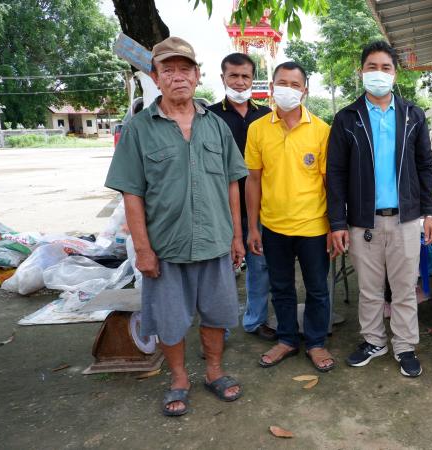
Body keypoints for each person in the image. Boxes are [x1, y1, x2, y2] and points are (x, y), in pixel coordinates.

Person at [105, 37, 248, 416]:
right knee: (170, 320)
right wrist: (142, 249)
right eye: (168, 70)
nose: (178, 77)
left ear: (198, 75)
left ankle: (214, 371)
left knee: (217, 315)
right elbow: (131, 193)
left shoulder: (216, 127)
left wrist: (237, 237)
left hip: (215, 242)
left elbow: (232, 184)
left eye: (185, 69)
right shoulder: (139, 129)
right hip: (165, 247)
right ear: (156, 78)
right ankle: (179, 379)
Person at [327, 41, 432, 377]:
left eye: (385, 67)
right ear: (361, 72)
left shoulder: (413, 115)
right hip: (364, 221)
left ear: (395, 73)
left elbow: (425, 165)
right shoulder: (347, 118)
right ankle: (373, 341)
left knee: (404, 288)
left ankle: (405, 346)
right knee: (370, 289)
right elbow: (335, 173)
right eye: (371, 67)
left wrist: (429, 212)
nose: (379, 73)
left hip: (406, 218)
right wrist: (337, 222)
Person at [245, 61, 336, 372]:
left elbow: (329, 183)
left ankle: (316, 342)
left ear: (305, 91)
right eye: (282, 83)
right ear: (272, 88)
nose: (288, 89)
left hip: (313, 226)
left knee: (317, 288)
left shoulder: (322, 130)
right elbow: (253, 180)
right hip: (273, 226)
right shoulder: (258, 129)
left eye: (295, 85)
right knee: (281, 287)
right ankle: (286, 339)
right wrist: (253, 227)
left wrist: (333, 226)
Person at [207, 53, 275, 341]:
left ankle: (255, 320)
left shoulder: (267, 115)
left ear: (253, 79)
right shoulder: (208, 116)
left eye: (245, 76)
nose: (239, 82)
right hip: (221, 206)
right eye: (233, 76)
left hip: (259, 205)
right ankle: (217, 330)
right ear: (222, 78)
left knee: (260, 266)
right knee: (220, 270)